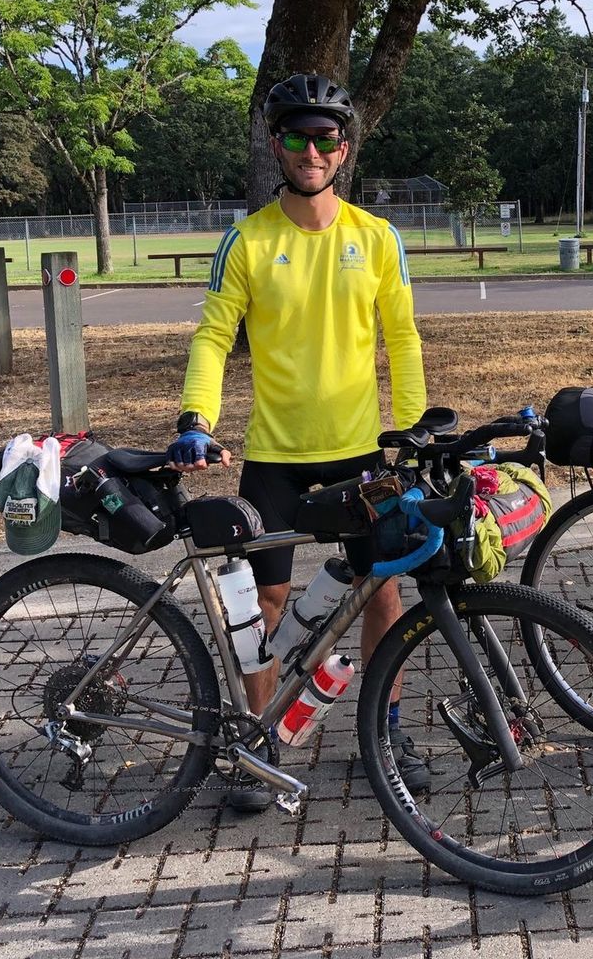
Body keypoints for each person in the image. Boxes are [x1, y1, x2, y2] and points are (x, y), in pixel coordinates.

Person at [168, 72, 430, 807]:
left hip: (360, 450)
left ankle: (384, 732)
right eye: (295, 137)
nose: (310, 151)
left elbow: (403, 338)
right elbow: (214, 336)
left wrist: (411, 430)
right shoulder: (248, 240)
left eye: (324, 138)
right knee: (266, 600)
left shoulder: (376, 237)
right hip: (276, 454)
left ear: (343, 148)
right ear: (276, 146)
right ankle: (257, 744)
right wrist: (195, 419)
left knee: (383, 592)